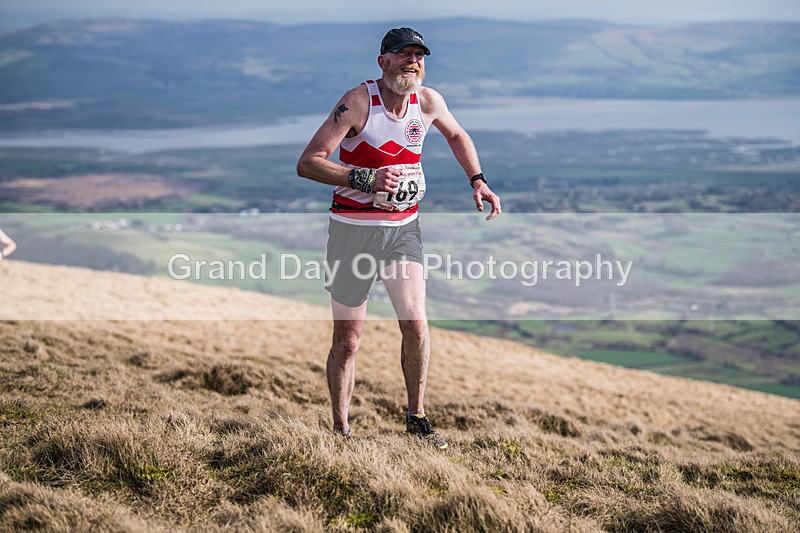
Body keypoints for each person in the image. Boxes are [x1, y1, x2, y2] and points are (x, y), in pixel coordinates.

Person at [296, 27, 501, 449]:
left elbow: (457, 135)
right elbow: (309, 162)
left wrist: (477, 180)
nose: (412, 62)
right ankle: (341, 430)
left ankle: (417, 418)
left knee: (416, 326)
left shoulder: (428, 101)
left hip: (403, 231)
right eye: (404, 54)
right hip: (352, 232)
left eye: (418, 56)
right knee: (348, 341)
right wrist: (363, 178)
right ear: (383, 61)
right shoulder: (358, 102)